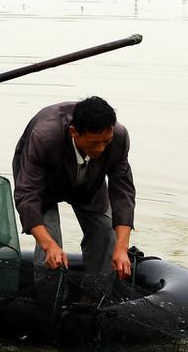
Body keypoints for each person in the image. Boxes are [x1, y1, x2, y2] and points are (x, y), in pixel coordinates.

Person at [12, 96, 136, 296]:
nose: (101, 149)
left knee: (105, 231)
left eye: (106, 141)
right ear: (74, 133)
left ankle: (96, 297)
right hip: (42, 183)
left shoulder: (119, 138)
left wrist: (122, 247)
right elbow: (27, 196)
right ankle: (50, 301)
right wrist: (49, 244)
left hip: (89, 179)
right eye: (94, 143)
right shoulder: (44, 137)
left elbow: (123, 193)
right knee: (50, 243)